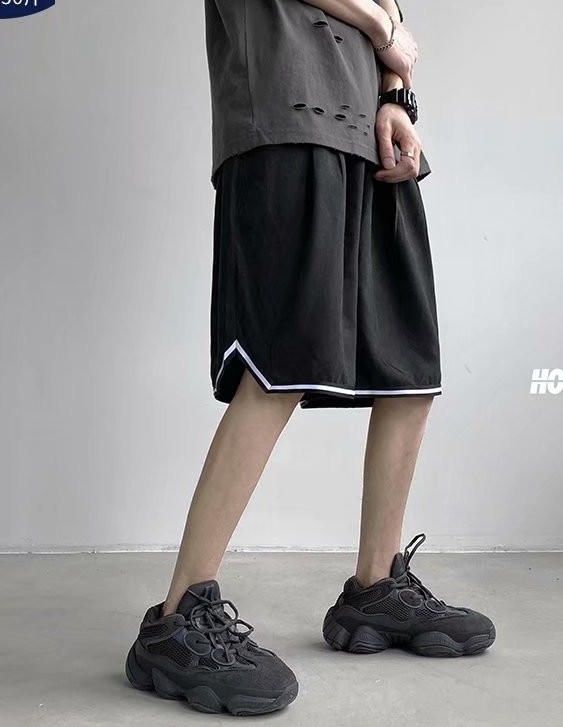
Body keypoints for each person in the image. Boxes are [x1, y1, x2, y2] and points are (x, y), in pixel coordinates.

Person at [124, 0, 495, 716]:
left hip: (368, 132)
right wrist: (384, 30)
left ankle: (376, 588)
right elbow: (388, 23)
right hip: (285, 114)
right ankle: (175, 623)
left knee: (407, 368)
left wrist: (396, 96)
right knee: (278, 367)